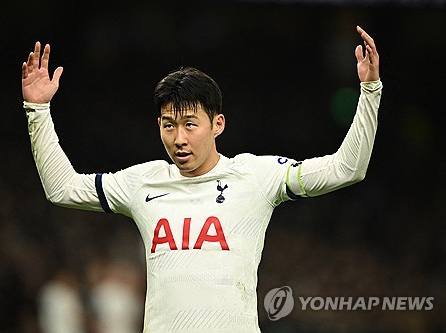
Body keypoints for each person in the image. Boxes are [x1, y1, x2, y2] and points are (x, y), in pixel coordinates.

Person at [21, 25, 381, 332]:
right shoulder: (143, 182)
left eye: (190, 124)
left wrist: (370, 92)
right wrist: (37, 110)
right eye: (169, 125)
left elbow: (346, 168)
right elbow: (62, 188)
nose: (179, 138)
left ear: (217, 125)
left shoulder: (256, 176)